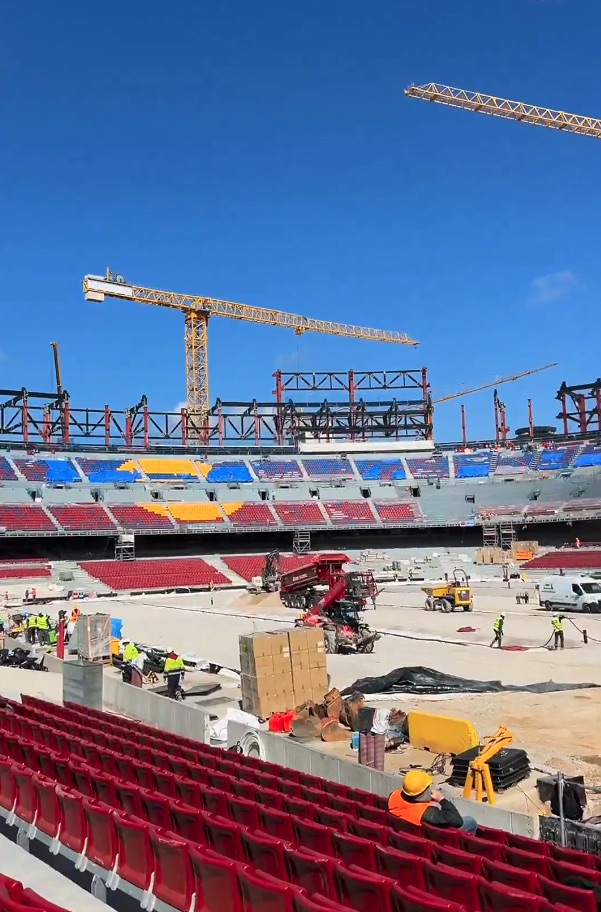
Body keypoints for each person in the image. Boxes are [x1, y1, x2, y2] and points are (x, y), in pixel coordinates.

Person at [389, 771, 478, 834]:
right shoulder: (427, 813)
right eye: (428, 787)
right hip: (428, 838)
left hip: (405, 833)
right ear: (423, 792)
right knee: (470, 821)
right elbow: (457, 820)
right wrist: (442, 799)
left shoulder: (394, 796)